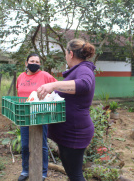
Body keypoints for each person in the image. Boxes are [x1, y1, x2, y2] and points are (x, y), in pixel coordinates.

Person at [37, 39, 96, 181]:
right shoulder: (76, 71)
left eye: (65, 53)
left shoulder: (83, 69)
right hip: (68, 132)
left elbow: (84, 85)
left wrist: (54, 85)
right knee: (72, 174)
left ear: (70, 54)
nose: (65, 57)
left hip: (75, 133)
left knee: (75, 175)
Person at [16, 53, 57, 181]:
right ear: (26, 63)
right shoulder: (20, 77)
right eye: (32, 61)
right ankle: (25, 170)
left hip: (40, 114)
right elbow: (19, 93)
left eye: (37, 61)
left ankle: (43, 172)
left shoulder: (44, 75)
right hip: (25, 114)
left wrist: (50, 101)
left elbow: (57, 87)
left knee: (42, 144)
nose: (35, 63)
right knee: (24, 145)